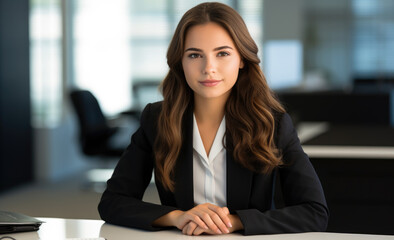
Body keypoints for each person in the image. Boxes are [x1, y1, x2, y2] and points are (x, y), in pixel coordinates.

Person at [98, 2, 329, 236]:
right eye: (195, 55)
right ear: (181, 62)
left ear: (242, 59)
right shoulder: (157, 120)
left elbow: (314, 212)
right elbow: (113, 202)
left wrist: (232, 222)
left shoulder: (273, 124)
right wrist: (178, 217)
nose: (209, 68)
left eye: (222, 54)